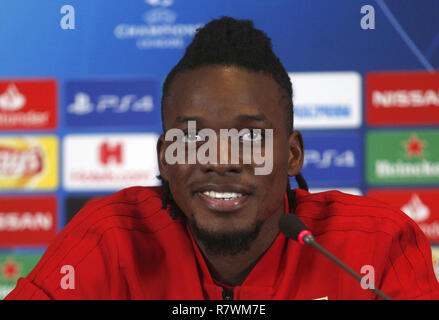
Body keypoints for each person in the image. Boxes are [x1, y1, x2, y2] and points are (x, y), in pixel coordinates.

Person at [5, 17, 439, 300]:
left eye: (250, 136)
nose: (221, 159)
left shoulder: (379, 245)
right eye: (193, 137)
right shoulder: (111, 239)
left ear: (292, 155)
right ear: (166, 159)